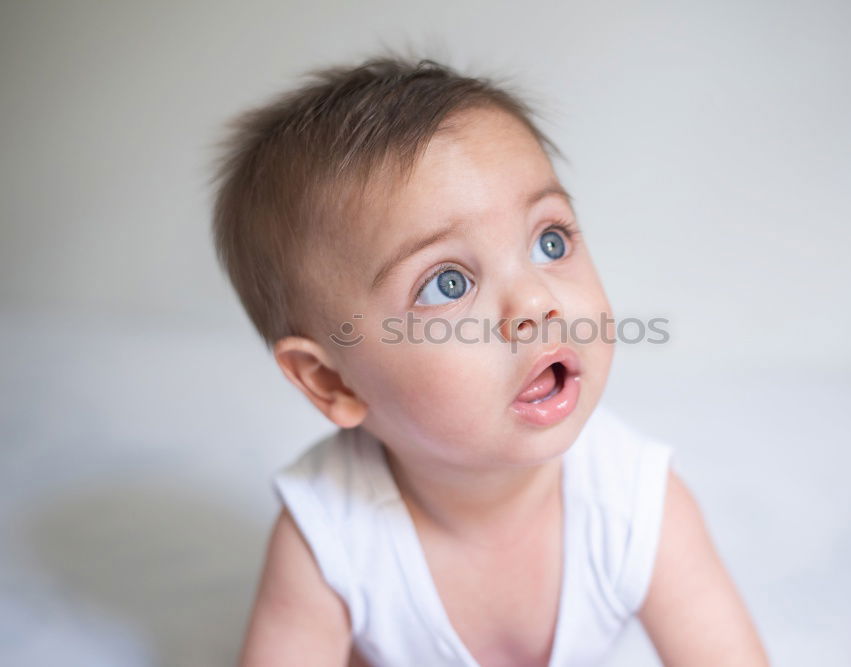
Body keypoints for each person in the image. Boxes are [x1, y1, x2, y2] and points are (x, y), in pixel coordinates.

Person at [212, 53, 768, 666]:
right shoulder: (327, 539)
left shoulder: (639, 507)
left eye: (548, 240)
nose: (536, 300)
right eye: (447, 283)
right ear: (330, 381)